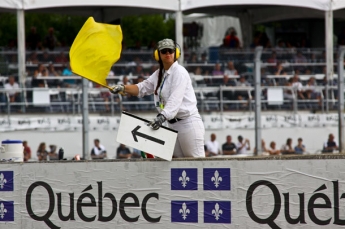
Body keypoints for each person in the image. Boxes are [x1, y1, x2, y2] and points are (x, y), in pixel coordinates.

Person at [110, 38, 205, 158]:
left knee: (197, 165)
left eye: (170, 51)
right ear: (158, 54)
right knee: (177, 167)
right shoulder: (159, 74)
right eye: (164, 51)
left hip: (188, 123)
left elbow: (175, 100)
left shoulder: (180, 72)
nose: (168, 54)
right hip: (171, 125)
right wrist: (123, 88)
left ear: (176, 53)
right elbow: (142, 88)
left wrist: (161, 117)